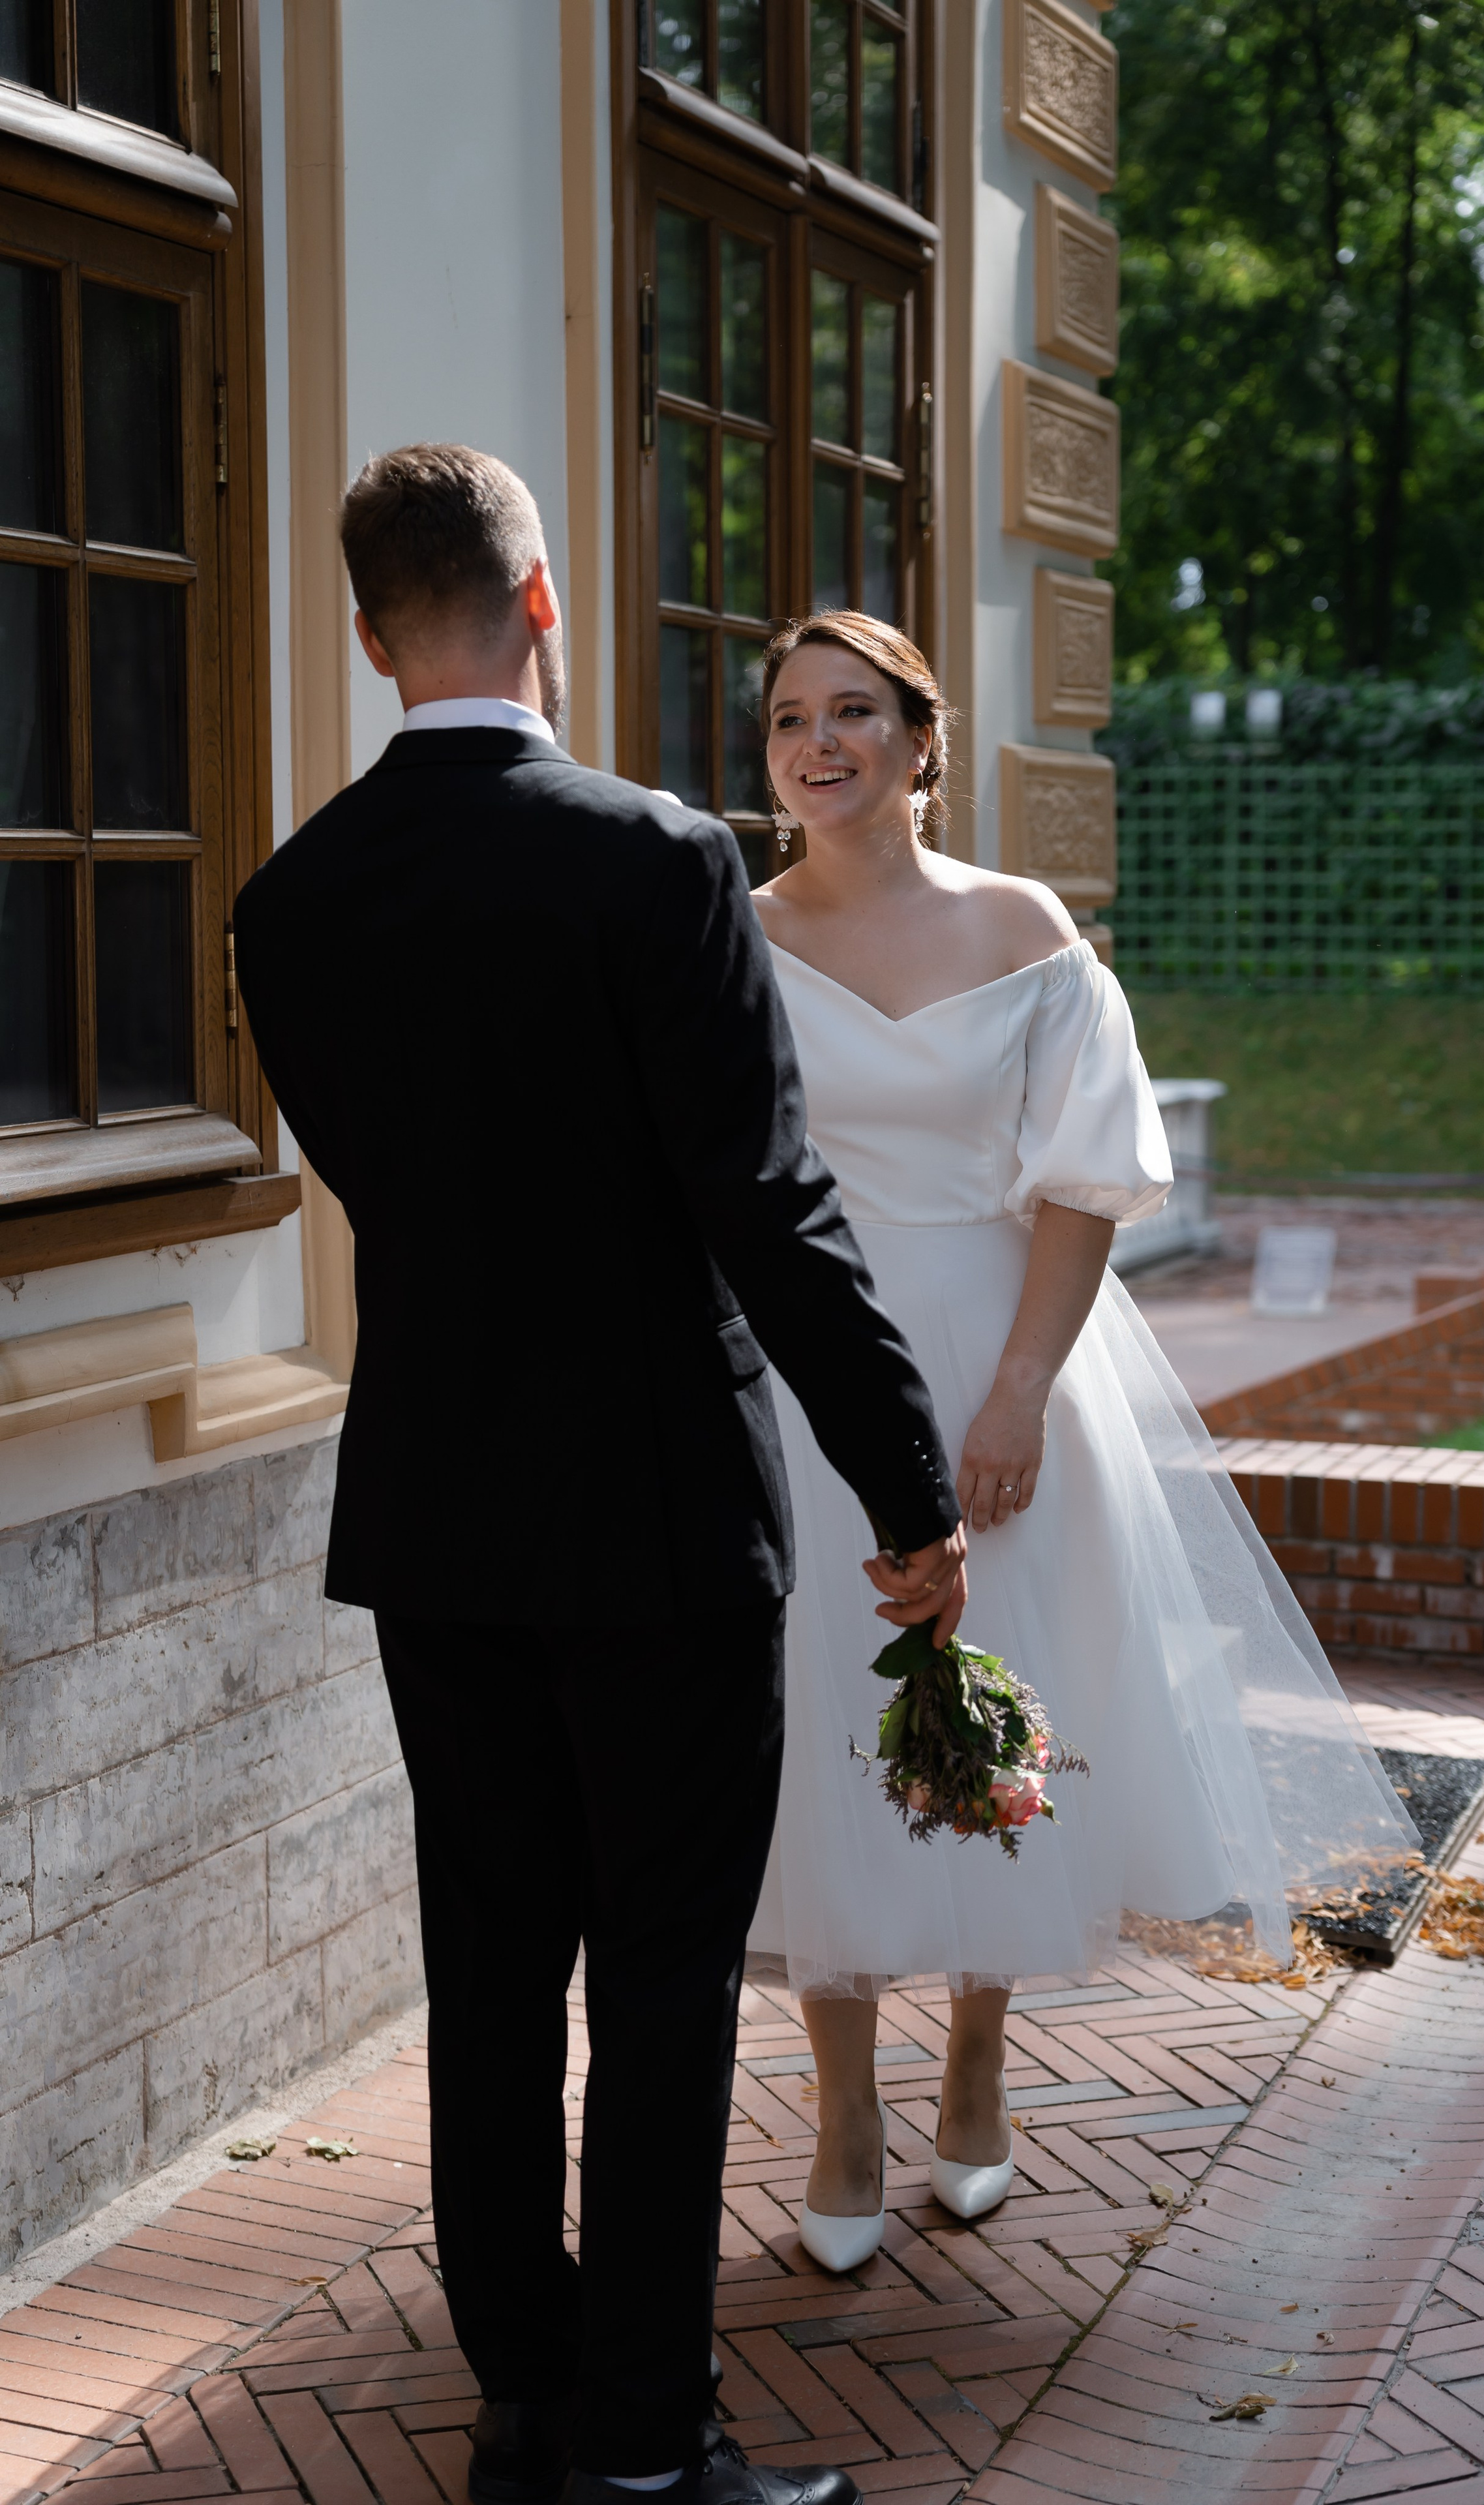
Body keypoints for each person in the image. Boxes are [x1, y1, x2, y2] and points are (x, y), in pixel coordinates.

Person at [232, 451, 971, 2505]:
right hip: (657, 1521)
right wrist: (909, 1492)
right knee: (658, 1989)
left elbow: (400, 1187)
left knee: (487, 1974)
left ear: (373, 637)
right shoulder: (653, 860)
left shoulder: (287, 903)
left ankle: (533, 2402)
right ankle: (652, 2453)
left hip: (440, 1521)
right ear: (542, 606)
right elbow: (770, 1210)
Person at [745, 612, 1416, 2269]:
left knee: (1003, 1706)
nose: (816, 745)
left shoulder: (1021, 928)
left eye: (851, 714)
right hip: (801, 1372)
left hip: (995, 1350)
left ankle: (976, 2056)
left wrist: (1019, 1389)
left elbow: (1079, 1178)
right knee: (813, 1721)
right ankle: (842, 2104)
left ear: (920, 740)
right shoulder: (730, 935)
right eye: (784, 721)